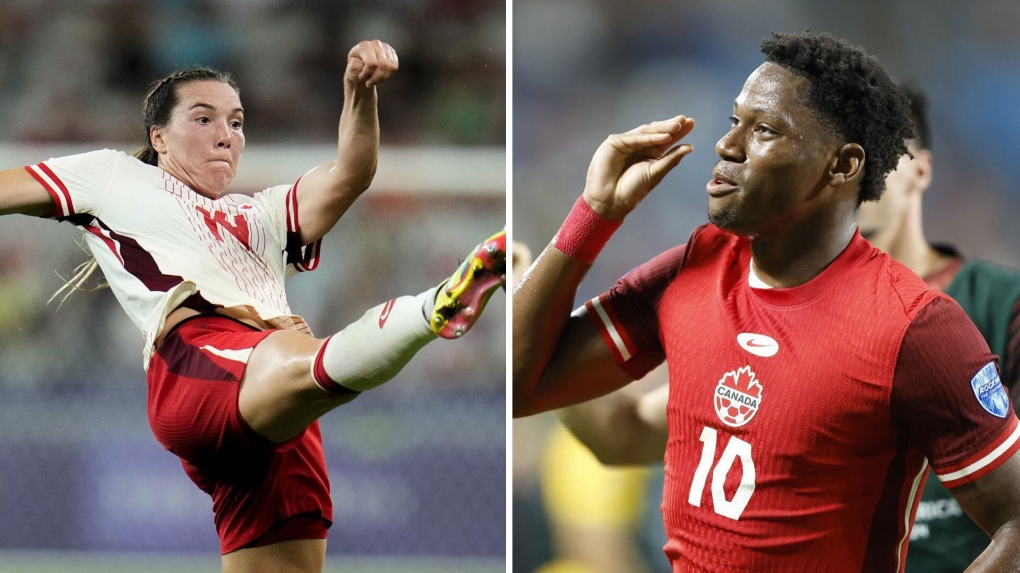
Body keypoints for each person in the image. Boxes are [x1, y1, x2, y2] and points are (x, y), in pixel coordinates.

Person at [513, 31, 1020, 572]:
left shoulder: (914, 325)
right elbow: (525, 387)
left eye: (764, 130)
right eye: (735, 121)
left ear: (842, 165)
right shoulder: (695, 267)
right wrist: (593, 214)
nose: (727, 145)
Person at [0, 39, 505, 573]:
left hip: (271, 417)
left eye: (236, 122)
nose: (225, 134)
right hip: (198, 367)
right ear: (158, 137)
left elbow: (351, 174)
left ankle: (412, 320)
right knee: (294, 353)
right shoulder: (112, 176)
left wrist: (358, 93)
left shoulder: (263, 214)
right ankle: (433, 310)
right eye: (203, 118)